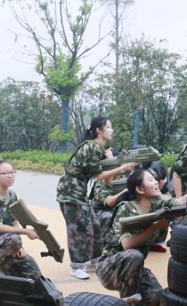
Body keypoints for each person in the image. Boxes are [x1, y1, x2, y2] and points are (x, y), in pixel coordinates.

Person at [56, 116, 136, 280]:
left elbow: (108, 181)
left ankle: (93, 260)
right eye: (108, 127)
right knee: (78, 230)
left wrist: (110, 160)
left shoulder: (99, 149)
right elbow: (99, 175)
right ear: (98, 130)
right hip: (70, 192)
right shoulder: (91, 147)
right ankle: (77, 266)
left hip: (80, 192)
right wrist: (121, 167)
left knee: (94, 227)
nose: (112, 130)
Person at [96, 169, 187, 306]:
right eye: (150, 180)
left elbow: (180, 201)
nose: (156, 182)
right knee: (134, 255)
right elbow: (127, 245)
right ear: (140, 189)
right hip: (110, 267)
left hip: (134, 266)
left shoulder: (156, 205)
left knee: (156, 296)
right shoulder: (125, 208)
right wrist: (155, 226)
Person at [0, 160, 42, 279]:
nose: (10, 176)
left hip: (7, 242)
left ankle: (6, 270)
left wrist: (20, 247)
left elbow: (14, 221)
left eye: (12, 172)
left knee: (33, 272)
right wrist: (26, 232)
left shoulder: (12, 195)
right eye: (4, 173)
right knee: (13, 239)